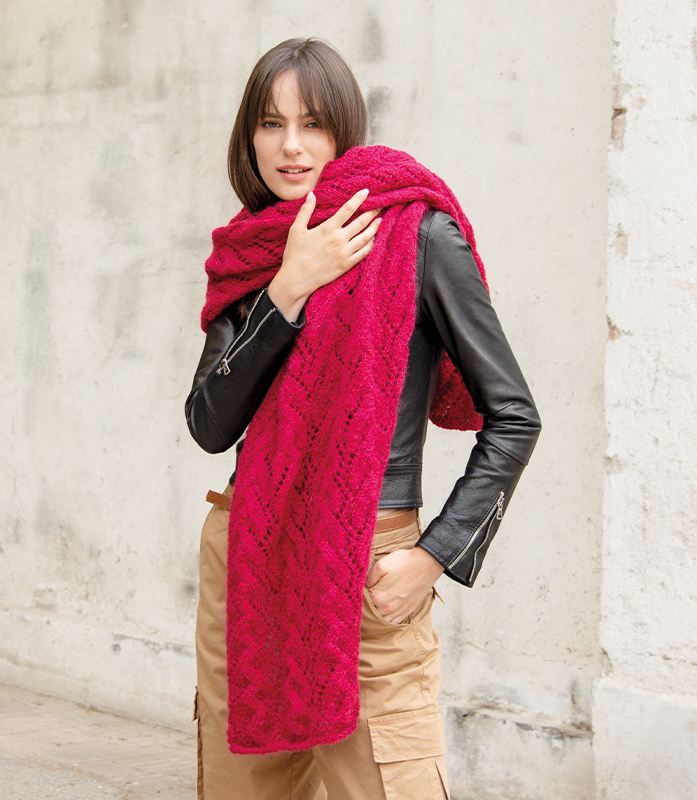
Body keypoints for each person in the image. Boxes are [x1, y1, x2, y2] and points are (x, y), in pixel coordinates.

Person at [186, 37, 540, 800]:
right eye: (271, 124)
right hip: (247, 556)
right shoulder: (250, 256)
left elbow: (515, 417)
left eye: (312, 123)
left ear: (343, 130)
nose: (291, 146)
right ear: (249, 136)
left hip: (367, 568)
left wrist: (434, 556)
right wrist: (288, 289)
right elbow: (210, 424)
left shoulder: (416, 232)